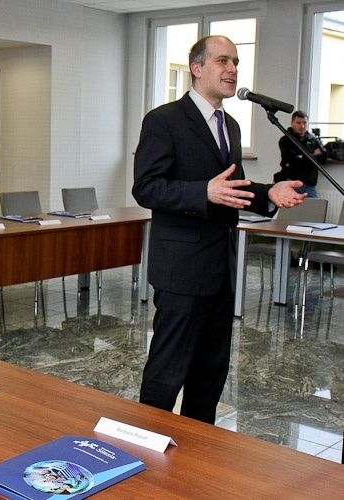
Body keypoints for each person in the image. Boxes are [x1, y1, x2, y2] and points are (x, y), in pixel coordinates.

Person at [132, 35, 306, 424]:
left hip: (220, 269)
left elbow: (232, 188)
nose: (232, 70)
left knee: (210, 374)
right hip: (181, 269)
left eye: (236, 62)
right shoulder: (164, 120)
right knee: (167, 373)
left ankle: (198, 449)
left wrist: (268, 193)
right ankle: (144, 444)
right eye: (223, 61)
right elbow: (146, 187)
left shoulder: (230, 125)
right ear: (197, 68)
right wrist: (202, 192)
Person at [276, 110, 327, 198]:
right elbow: (293, 161)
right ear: (292, 123)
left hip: (310, 183)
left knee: (314, 206)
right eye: (298, 123)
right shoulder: (286, 140)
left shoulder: (313, 139)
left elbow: (324, 157)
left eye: (304, 123)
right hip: (292, 182)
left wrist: (302, 157)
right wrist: (313, 155)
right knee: (291, 206)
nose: (302, 126)